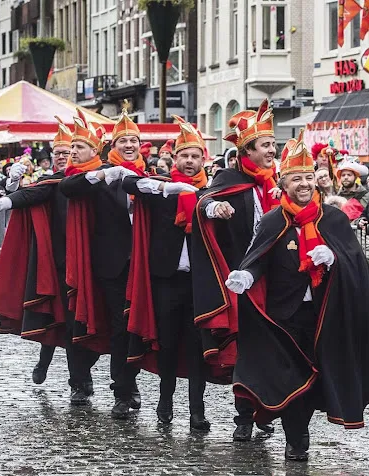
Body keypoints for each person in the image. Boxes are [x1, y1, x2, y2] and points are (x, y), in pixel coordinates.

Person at [224, 133, 369, 461]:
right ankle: (297, 439)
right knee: (292, 378)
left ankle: (299, 431)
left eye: (308, 177)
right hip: (283, 316)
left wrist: (332, 259)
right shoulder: (274, 220)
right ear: (283, 182)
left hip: (323, 315)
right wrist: (246, 275)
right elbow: (258, 258)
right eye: (296, 179)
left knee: (315, 378)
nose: (304, 184)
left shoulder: (332, 219)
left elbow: (353, 262)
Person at [0, 118, 104, 405]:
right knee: (66, 321)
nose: (66, 156)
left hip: (99, 262)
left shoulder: (101, 176)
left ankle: (87, 374)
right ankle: (77, 380)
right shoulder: (50, 182)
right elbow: (30, 193)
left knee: (95, 323)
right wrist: (9, 192)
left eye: (71, 150)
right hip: (62, 262)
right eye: (61, 153)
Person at [191, 99, 278, 442]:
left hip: (277, 280)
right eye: (266, 145)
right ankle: (244, 416)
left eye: (273, 144)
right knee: (245, 350)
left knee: (274, 349)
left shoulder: (279, 181)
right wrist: (215, 206)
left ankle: (267, 409)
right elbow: (204, 201)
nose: (273, 150)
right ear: (248, 150)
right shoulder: (229, 178)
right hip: (243, 281)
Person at [122, 115, 212, 431]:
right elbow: (127, 180)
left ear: (204, 159)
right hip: (166, 280)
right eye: (184, 156)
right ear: (174, 158)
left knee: (198, 347)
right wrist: (161, 186)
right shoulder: (162, 188)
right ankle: (165, 403)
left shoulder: (211, 190)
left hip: (200, 282)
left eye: (195, 156)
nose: (189, 162)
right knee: (169, 345)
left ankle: (197, 410)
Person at [59, 106, 145, 419]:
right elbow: (68, 186)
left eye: (133, 140)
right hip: (113, 265)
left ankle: (129, 383)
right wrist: (100, 174)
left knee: (138, 331)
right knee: (120, 328)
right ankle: (121, 390)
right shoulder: (103, 176)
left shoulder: (148, 176)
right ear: (112, 147)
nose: (129, 145)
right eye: (122, 141)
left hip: (146, 267)